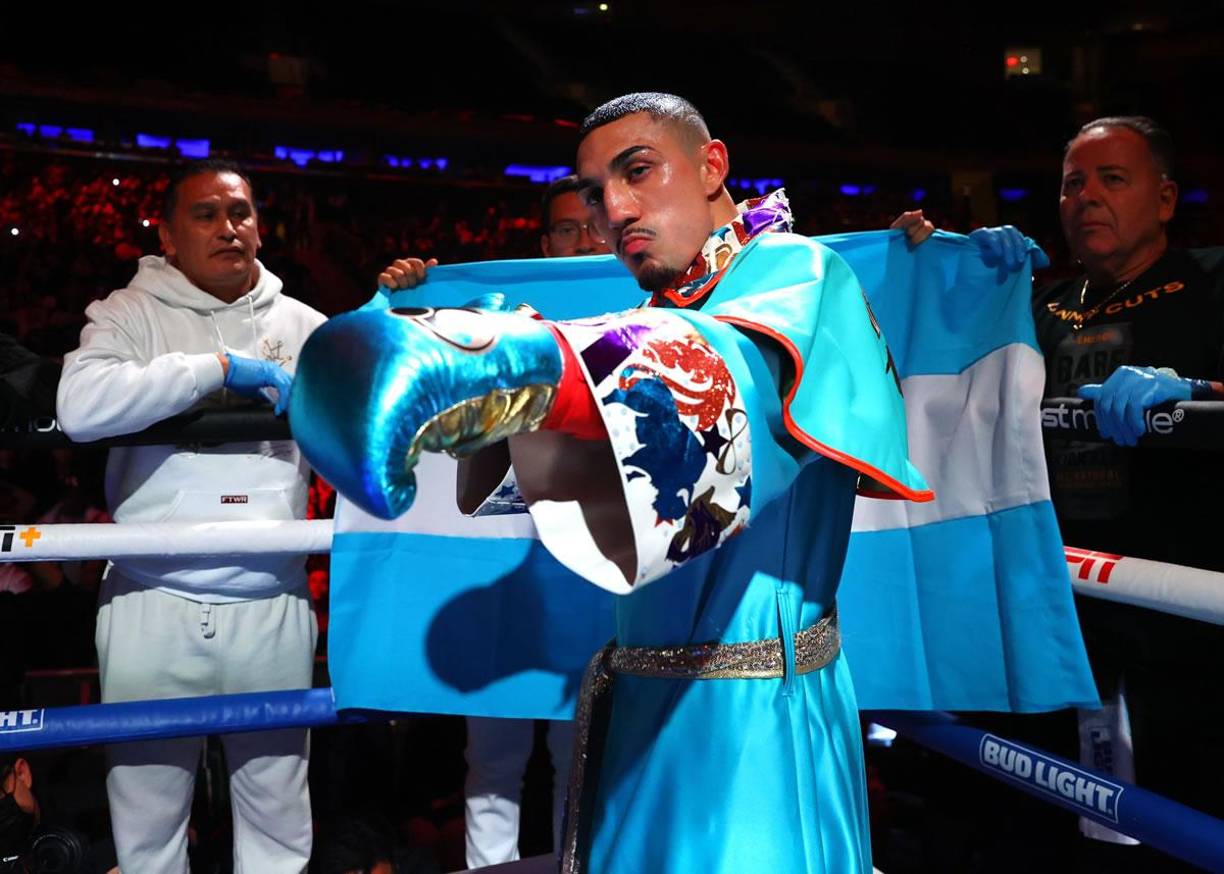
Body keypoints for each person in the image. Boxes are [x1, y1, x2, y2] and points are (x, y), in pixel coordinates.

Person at [293, 92, 931, 872]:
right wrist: (501, 407)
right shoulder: (668, 304)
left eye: (638, 170)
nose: (615, 210)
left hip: (756, 718)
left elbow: (737, 375)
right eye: (594, 194)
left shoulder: (799, 273)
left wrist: (528, 366)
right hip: (645, 701)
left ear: (712, 166)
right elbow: (596, 481)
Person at [56, 159, 325, 873]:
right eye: (205, 215)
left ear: (260, 228)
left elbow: (367, 427)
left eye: (239, 213)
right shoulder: (128, 312)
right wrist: (219, 368)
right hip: (152, 599)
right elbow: (79, 408)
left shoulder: (305, 325)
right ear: (169, 236)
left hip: (269, 602)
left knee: (278, 824)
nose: (227, 228)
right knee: (147, 828)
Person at [378, 175, 614, 869]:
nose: (581, 242)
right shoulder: (498, 317)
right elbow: (396, 351)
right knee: (493, 763)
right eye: (566, 229)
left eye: (593, 226)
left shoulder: (648, 312)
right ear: (543, 244)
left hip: (595, 573)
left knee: (584, 763)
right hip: (497, 570)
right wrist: (409, 295)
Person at [1032, 116, 1224, 834]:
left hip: (1191, 622)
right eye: (1073, 183)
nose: (1088, 197)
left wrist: (1200, 392)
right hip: (1073, 614)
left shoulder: (1211, 281)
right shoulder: (1041, 309)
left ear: (1166, 199)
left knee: (1191, 815)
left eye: (1113, 179)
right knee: (1086, 821)